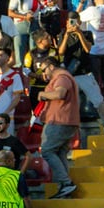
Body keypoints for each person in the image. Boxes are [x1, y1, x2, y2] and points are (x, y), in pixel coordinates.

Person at [37, 56, 79, 199]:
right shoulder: (62, 77)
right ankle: (64, 187)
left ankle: (66, 183)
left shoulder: (61, 77)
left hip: (59, 121)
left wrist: (43, 94)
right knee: (60, 153)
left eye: (44, 70)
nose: (44, 74)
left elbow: (60, 93)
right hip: (64, 121)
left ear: (51, 67)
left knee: (47, 150)